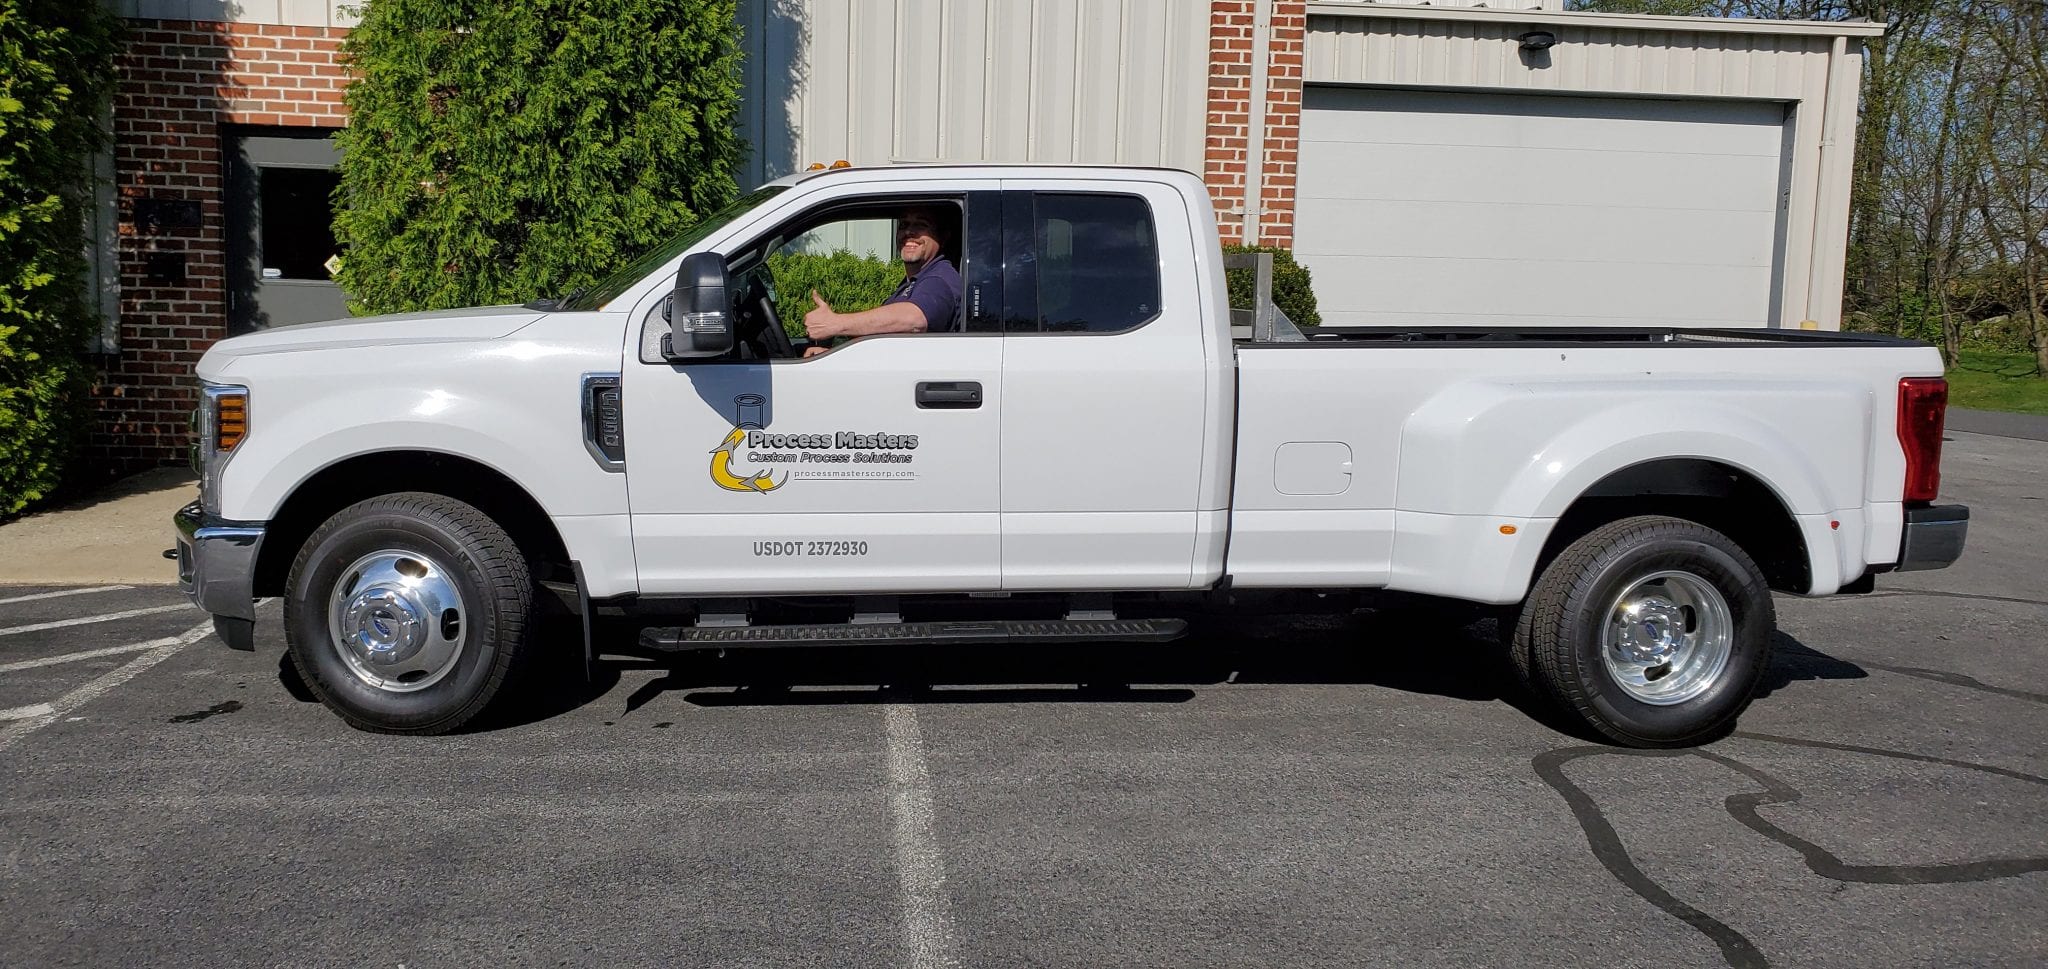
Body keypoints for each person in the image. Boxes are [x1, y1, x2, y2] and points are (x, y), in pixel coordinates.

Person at [801, 206, 961, 357]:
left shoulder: (939, 279)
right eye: (904, 224)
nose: (909, 232)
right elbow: (886, 344)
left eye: (921, 225)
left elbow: (914, 319)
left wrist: (835, 323)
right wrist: (832, 354)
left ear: (943, 236)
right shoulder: (913, 283)